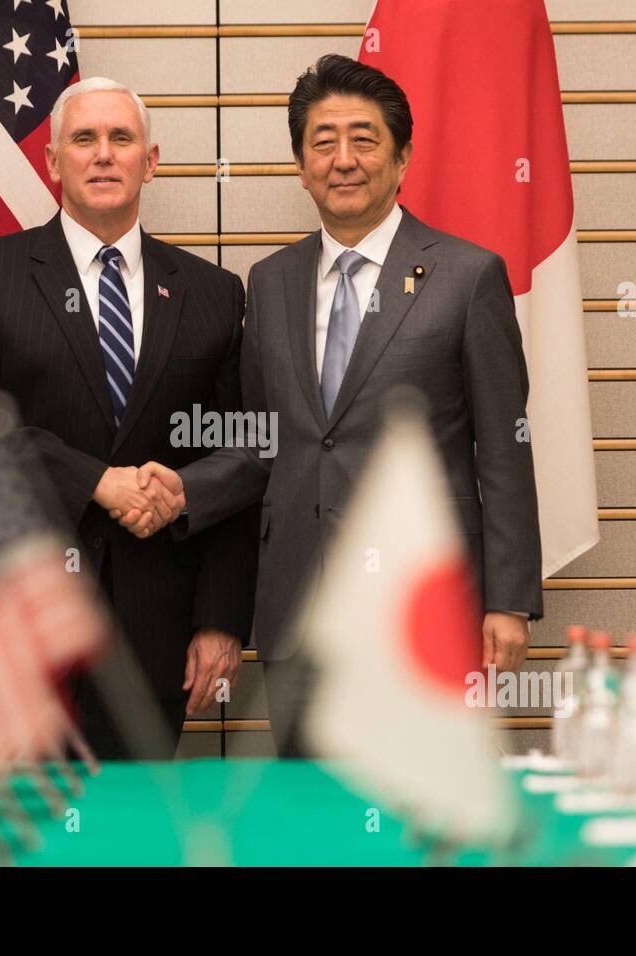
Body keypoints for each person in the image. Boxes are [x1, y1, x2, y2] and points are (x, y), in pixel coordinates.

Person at [119, 55, 543, 755]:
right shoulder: (272, 280)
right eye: (323, 142)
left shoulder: (468, 276)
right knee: (313, 827)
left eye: (364, 139)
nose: (343, 159)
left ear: (403, 156)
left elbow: (505, 447)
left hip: (422, 617)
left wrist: (507, 599)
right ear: (300, 164)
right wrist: (182, 488)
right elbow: (262, 444)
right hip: (300, 619)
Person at [0, 77, 254, 759]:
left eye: (121, 139)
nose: (103, 155)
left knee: (132, 842)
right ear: (52, 161)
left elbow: (241, 459)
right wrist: (95, 481)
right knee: (15, 842)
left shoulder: (213, 294)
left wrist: (221, 619)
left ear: (150, 160)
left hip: (155, 632)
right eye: (84, 139)